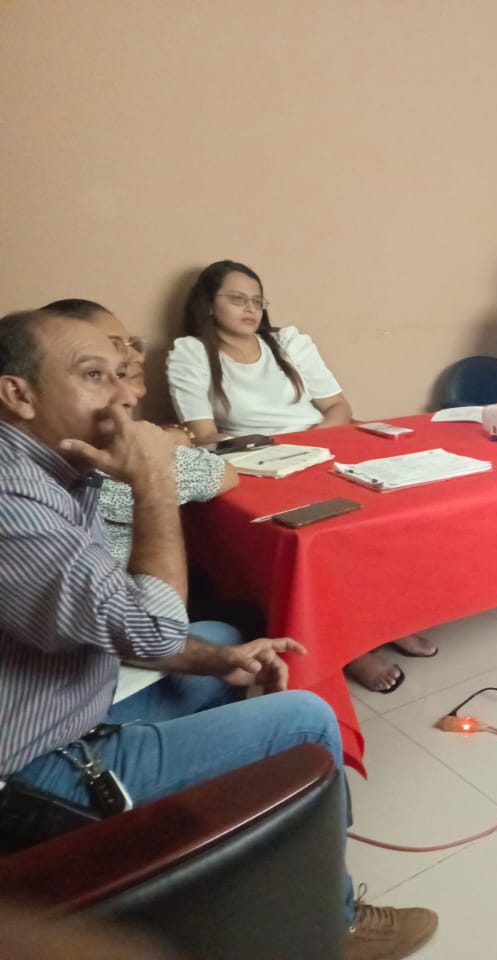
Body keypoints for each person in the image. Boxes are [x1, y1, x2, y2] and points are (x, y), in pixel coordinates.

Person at [0, 306, 437, 960]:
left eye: (122, 371)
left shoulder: (53, 466)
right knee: (305, 720)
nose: (126, 395)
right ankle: (337, 927)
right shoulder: (13, 501)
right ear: (19, 394)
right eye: (95, 375)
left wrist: (215, 658)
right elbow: (150, 628)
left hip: (60, 701)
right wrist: (153, 482)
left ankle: (220, 857)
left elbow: (111, 618)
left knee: (218, 637)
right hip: (29, 775)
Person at [167, 261, 435, 693]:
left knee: (384, 516)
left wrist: (312, 445)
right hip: (258, 463)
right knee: (320, 539)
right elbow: (204, 436)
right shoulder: (192, 353)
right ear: (208, 304)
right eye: (237, 299)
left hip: (321, 446)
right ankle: (350, 645)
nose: (250, 309)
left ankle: (387, 620)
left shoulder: (288, 342)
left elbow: (339, 408)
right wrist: (279, 452)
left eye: (257, 301)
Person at [41, 299, 237, 563]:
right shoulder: (89, 453)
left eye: (132, 343)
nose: (136, 357)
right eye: (115, 345)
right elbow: (220, 473)